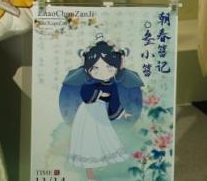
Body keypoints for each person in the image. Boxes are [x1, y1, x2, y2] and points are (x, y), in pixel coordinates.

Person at [59, 39, 144, 179]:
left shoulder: (112, 85)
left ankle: (99, 167)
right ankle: (90, 171)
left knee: (103, 138)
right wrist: (100, 95)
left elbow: (114, 101)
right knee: (87, 138)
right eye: (95, 68)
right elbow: (85, 95)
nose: (102, 72)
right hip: (86, 112)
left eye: (109, 67)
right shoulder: (89, 83)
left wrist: (123, 113)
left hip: (100, 113)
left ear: (117, 67)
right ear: (88, 69)